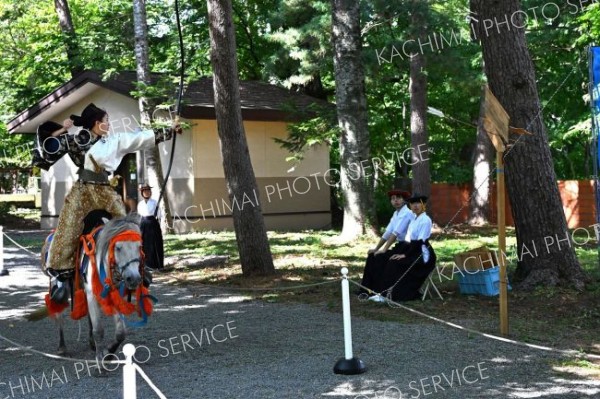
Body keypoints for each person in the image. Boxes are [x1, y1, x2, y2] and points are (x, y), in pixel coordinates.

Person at [42, 103, 180, 302]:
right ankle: (61, 280)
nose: (109, 124)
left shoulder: (114, 141)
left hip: (105, 191)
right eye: (106, 121)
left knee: (127, 226)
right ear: (98, 124)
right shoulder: (75, 141)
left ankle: (137, 268)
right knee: (68, 227)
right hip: (82, 191)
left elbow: (138, 138)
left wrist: (169, 130)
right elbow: (49, 146)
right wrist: (63, 129)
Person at [377, 194, 436, 302]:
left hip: (424, 255)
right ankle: (385, 293)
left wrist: (405, 255)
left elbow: (420, 242)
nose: (415, 206)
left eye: (418, 203)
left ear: (424, 205)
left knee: (396, 263)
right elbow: (409, 241)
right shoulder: (413, 220)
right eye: (413, 203)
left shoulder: (425, 220)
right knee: (391, 259)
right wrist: (402, 252)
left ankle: (395, 295)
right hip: (413, 250)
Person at [359, 189, 414, 296]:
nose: (396, 201)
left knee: (381, 257)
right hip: (400, 246)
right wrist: (376, 248)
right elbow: (388, 232)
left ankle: (380, 290)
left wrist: (383, 250)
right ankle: (366, 289)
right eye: (393, 199)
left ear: (404, 200)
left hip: (408, 247)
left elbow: (395, 233)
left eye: (398, 198)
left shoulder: (407, 213)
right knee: (372, 256)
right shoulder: (395, 214)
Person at [137, 183, 164, 270]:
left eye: (148, 191)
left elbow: (159, 215)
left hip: (153, 223)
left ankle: (156, 264)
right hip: (143, 224)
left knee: (154, 243)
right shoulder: (140, 204)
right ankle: (145, 264)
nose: (147, 192)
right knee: (144, 244)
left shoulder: (155, 202)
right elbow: (139, 216)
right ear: (142, 193)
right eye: (145, 191)